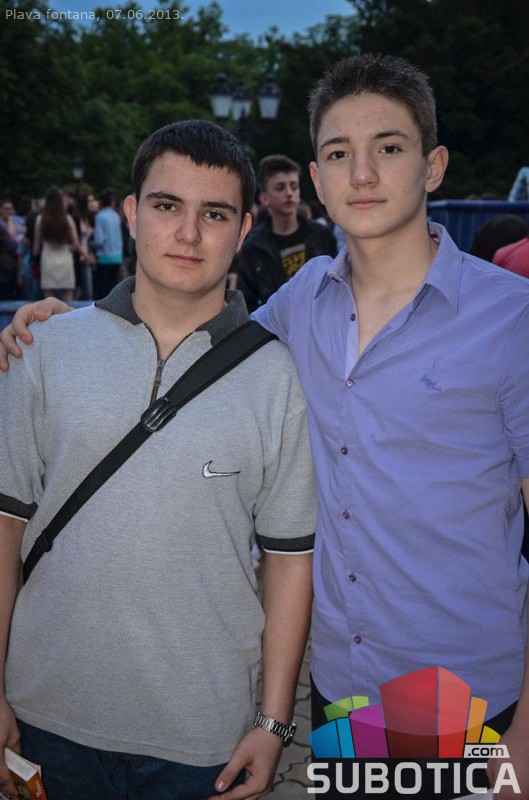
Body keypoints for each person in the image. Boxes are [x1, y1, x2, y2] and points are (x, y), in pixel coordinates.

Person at [3, 54, 529, 800]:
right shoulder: (299, 303)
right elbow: (194, 329)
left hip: (468, 691)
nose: (363, 174)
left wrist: (524, 739)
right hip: (348, 690)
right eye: (338, 154)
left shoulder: (510, 319)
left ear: (433, 165)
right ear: (315, 178)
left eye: (389, 147)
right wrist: (60, 323)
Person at [0, 119, 316, 800]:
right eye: (168, 205)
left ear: (244, 228)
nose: (189, 233)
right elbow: (5, 529)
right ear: (131, 213)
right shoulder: (44, 351)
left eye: (215, 214)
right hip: (45, 715)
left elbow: (289, 561)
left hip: (206, 734)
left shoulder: (276, 377)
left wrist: (273, 721)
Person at [236, 154, 337, 312]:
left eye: (294, 186)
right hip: (276, 325)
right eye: (280, 188)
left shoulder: (321, 235)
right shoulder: (253, 248)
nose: (289, 193)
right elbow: (247, 304)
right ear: (264, 198)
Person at [34, 185, 80, 303]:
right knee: (67, 296)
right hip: (65, 259)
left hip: (47, 259)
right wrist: (71, 249)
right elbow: (76, 243)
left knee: (49, 297)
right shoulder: (68, 219)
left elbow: (37, 246)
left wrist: (33, 258)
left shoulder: (40, 219)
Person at [92, 187, 123, 300]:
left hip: (104, 258)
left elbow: (99, 240)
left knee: (102, 291)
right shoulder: (116, 216)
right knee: (112, 289)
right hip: (117, 257)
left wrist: (91, 244)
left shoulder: (99, 217)